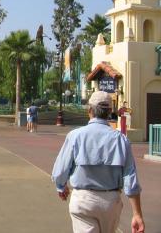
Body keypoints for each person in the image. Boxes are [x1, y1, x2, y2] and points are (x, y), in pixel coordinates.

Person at [51, 91, 144, 233]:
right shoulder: (120, 139)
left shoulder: (75, 136)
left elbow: (60, 170)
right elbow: (130, 179)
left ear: (90, 111)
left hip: (83, 200)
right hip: (110, 202)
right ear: (110, 113)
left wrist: (61, 186)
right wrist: (137, 214)